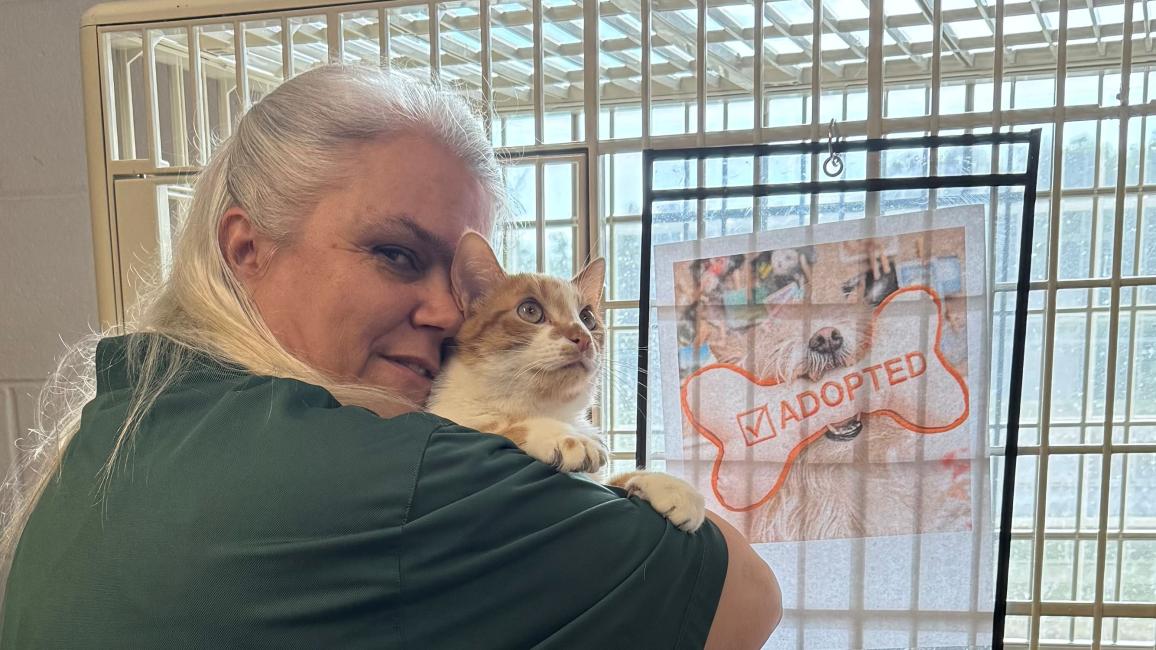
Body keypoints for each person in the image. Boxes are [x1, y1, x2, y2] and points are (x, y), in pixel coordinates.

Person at [1, 64, 780, 648]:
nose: (448, 314)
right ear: (246, 248)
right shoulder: (382, 474)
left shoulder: (117, 423)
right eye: (397, 255)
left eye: (460, 280)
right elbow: (744, 597)